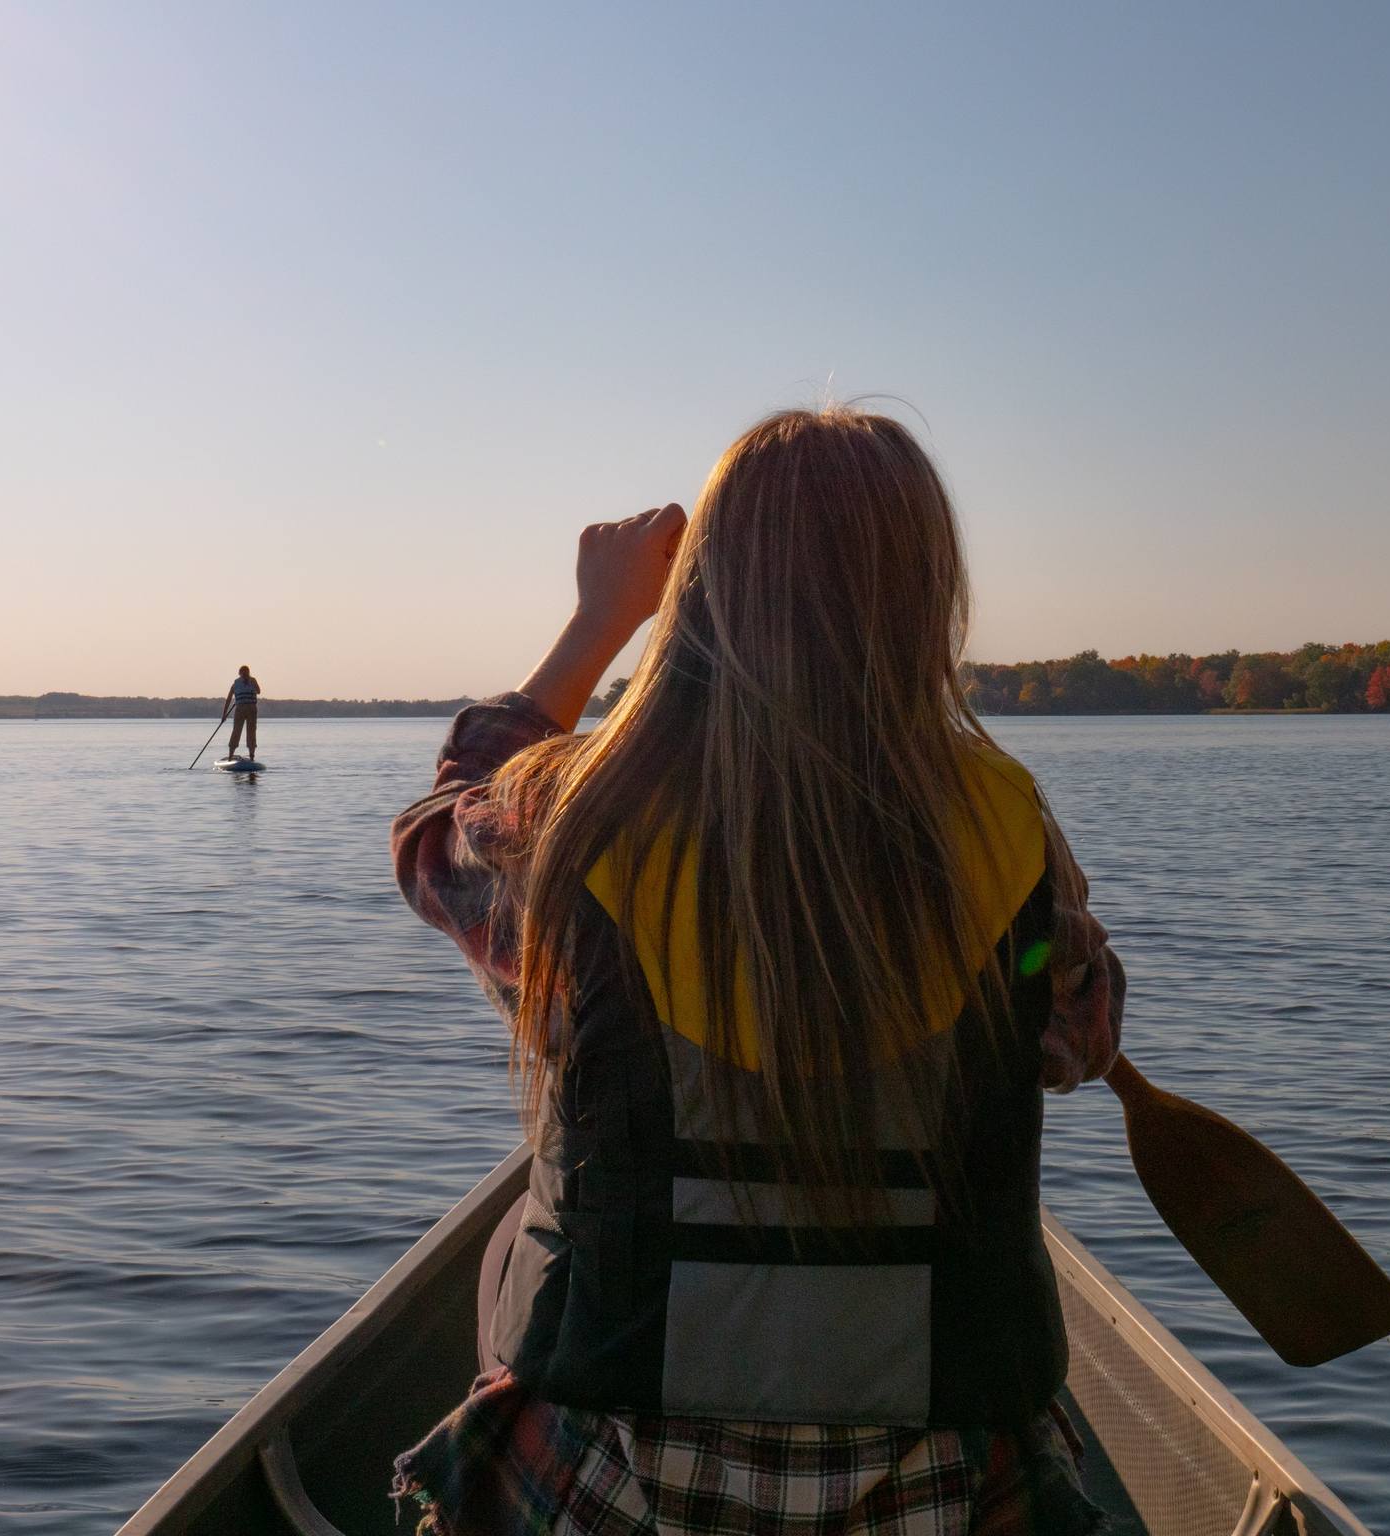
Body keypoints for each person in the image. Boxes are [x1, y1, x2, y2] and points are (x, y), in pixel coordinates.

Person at [390, 407, 1124, 1535]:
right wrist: (1052, 959)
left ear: (700, 593)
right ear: (924, 597)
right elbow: (1068, 1032)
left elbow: (435, 853)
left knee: (514, 1246)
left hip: (614, 1469)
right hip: (939, 1474)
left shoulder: (575, 824)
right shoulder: (1010, 832)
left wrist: (595, 623)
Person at [221, 666, 260, 760]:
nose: (245, 675)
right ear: (240, 673)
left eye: (246, 673)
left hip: (251, 708)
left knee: (251, 732)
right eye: (244, 673)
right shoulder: (236, 683)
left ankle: (251, 756)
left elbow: (258, 691)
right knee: (237, 731)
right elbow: (229, 698)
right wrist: (224, 714)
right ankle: (231, 756)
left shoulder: (252, 680)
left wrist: (251, 684)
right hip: (241, 709)